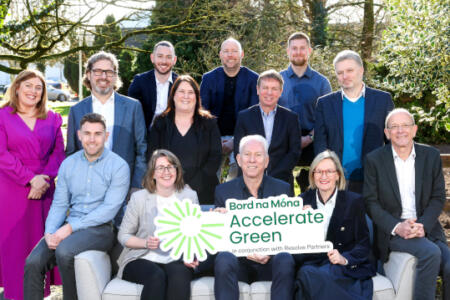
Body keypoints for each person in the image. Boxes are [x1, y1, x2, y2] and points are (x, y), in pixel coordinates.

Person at [24, 113, 130, 300]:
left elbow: (109, 210)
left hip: (102, 228)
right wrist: (49, 232)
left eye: (98, 134)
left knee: (65, 251)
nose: (92, 139)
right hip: (70, 224)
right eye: (87, 133)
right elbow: (59, 203)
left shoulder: (119, 166)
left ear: (106, 136)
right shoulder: (68, 164)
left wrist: (70, 228)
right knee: (33, 262)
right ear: (79, 135)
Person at [364, 108, 450, 300]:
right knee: (430, 253)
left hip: (426, 226)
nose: (400, 130)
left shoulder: (431, 155)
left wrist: (423, 225)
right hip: (393, 230)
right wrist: (397, 226)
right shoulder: (374, 160)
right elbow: (371, 202)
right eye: (394, 127)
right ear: (387, 133)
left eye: (405, 125)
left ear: (415, 130)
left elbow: (437, 197)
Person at [0, 70, 65, 300]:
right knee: (15, 246)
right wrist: (30, 179)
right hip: (12, 189)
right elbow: (1, 154)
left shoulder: (53, 118)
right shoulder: (2, 116)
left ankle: (38, 295)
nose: (33, 91)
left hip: (45, 190)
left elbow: (59, 154)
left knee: (40, 245)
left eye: (38, 87)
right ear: (17, 87)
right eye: (28, 85)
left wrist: (43, 180)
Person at [66, 51, 147, 222]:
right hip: (88, 194)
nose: (104, 76)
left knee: (124, 241)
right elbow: (72, 152)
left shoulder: (132, 107)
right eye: (98, 71)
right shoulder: (77, 110)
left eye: (109, 72)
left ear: (115, 76)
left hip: (125, 191)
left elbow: (142, 148)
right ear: (88, 74)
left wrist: (136, 185)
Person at [214, 135, 296, 300]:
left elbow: (290, 232)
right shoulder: (223, 191)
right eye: (247, 154)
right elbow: (220, 237)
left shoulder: (283, 189)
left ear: (266, 161)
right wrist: (215, 221)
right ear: (238, 159)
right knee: (223, 257)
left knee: (285, 258)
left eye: (258, 155)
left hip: (271, 263)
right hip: (239, 263)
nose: (252, 160)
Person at [117, 149, 199, 300]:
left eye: (170, 166)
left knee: (180, 276)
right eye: (160, 168)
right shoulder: (139, 198)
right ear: (153, 174)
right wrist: (145, 243)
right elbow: (123, 235)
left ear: (177, 169)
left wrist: (190, 254)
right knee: (156, 277)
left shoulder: (189, 196)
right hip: (141, 257)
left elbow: (196, 233)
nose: (166, 172)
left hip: (176, 258)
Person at [295, 150, 375, 300]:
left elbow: (363, 244)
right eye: (319, 171)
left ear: (338, 175)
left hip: (341, 267)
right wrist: (304, 225)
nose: (324, 176)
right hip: (313, 264)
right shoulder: (301, 201)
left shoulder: (354, 201)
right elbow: (293, 245)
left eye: (329, 171)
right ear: (312, 175)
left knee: (306, 281)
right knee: (306, 274)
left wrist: (344, 258)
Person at [314, 50, 394, 193]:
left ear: (361, 70)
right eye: (340, 72)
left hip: (372, 179)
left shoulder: (383, 100)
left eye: (350, 70)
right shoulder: (324, 104)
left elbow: (392, 141)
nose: (345, 76)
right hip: (337, 181)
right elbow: (320, 143)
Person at [148, 75, 221, 205]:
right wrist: (172, 185)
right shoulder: (160, 123)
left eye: (190, 92)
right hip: (167, 191)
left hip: (203, 191)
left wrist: (192, 186)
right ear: (173, 95)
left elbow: (215, 157)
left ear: (196, 97)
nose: (185, 96)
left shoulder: (209, 123)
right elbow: (152, 156)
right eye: (181, 91)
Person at [279, 32, 332, 192]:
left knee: (315, 184)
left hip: (314, 139)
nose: (298, 52)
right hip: (284, 140)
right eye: (294, 48)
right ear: (288, 51)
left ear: (309, 51)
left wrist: (310, 137)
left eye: (302, 48)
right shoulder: (277, 79)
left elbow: (327, 117)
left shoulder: (322, 82)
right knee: (280, 182)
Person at [200, 37, 259, 180]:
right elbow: (202, 112)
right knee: (208, 175)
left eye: (234, 51)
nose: (230, 55)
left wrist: (235, 141)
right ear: (220, 54)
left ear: (242, 54)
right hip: (213, 137)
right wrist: (214, 140)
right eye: (226, 51)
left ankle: (233, 198)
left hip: (243, 137)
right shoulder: (208, 79)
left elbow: (254, 116)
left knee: (239, 172)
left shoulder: (254, 79)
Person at [233, 69, 301, 188]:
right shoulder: (244, 116)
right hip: (249, 181)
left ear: (280, 92)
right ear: (258, 90)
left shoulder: (291, 118)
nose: (269, 93)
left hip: (281, 181)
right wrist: (256, 174)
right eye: (265, 88)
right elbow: (238, 150)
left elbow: (294, 152)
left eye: (274, 89)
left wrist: (272, 177)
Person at [128, 41, 178, 128]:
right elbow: (131, 113)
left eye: (168, 57)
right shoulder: (140, 81)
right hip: (146, 136)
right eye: (160, 56)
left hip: (173, 136)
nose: (164, 61)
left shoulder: (180, 83)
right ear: (152, 58)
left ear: (174, 60)